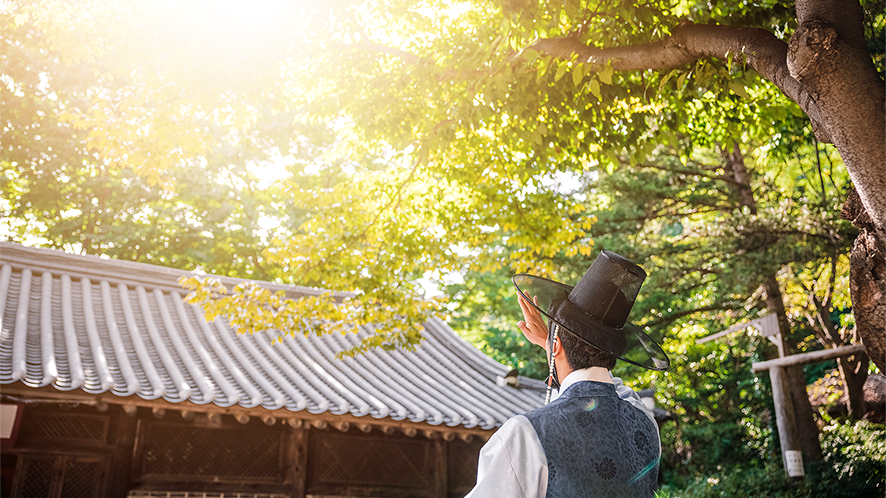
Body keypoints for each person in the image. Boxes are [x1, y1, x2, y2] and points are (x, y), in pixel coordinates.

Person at [465, 250, 670, 498]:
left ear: (556, 345)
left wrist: (552, 348)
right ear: (613, 350)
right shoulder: (645, 423)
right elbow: (609, 387)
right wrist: (554, 345)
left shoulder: (523, 434)